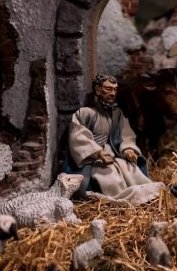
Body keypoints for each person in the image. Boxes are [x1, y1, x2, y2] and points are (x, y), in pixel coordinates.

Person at [65, 74, 164, 206]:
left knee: (131, 170)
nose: (113, 93)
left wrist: (128, 149)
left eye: (115, 89)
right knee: (110, 179)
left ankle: (145, 195)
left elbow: (126, 135)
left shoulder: (117, 114)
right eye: (108, 89)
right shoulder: (85, 113)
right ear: (98, 90)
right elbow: (78, 136)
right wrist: (98, 153)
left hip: (114, 154)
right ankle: (120, 200)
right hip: (94, 158)